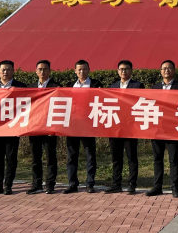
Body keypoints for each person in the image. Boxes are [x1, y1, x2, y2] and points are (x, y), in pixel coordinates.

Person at [0, 60, 27, 195]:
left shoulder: (21, 87)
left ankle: (8, 185)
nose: (5, 72)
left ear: (13, 71)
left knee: (11, 158)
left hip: (13, 127)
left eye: (8, 69)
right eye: (3, 69)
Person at [147, 60, 178, 197]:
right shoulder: (155, 88)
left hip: (173, 128)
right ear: (160, 71)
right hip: (157, 128)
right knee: (157, 159)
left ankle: (175, 188)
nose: (166, 70)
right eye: (164, 68)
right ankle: (157, 186)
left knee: (173, 160)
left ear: (174, 71)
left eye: (169, 68)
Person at [65, 60, 102, 194]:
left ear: (89, 70)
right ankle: (72, 184)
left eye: (84, 69)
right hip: (72, 125)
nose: (82, 72)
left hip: (88, 125)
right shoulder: (69, 85)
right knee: (71, 156)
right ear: (75, 71)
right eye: (79, 69)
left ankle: (90, 183)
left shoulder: (96, 84)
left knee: (90, 156)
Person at [106, 60, 143, 195]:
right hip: (115, 127)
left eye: (126, 69)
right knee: (116, 158)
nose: (124, 71)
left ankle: (132, 184)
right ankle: (116, 183)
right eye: (121, 69)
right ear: (118, 71)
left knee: (131, 157)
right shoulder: (112, 86)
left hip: (130, 127)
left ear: (131, 71)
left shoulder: (138, 86)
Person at [27, 60, 61, 195]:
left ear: (49, 71)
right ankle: (36, 184)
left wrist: (56, 127)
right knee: (35, 158)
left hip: (49, 128)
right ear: (36, 71)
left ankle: (50, 184)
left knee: (50, 157)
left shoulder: (56, 87)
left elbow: (60, 108)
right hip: (34, 127)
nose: (42, 72)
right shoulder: (30, 88)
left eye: (45, 69)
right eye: (40, 69)